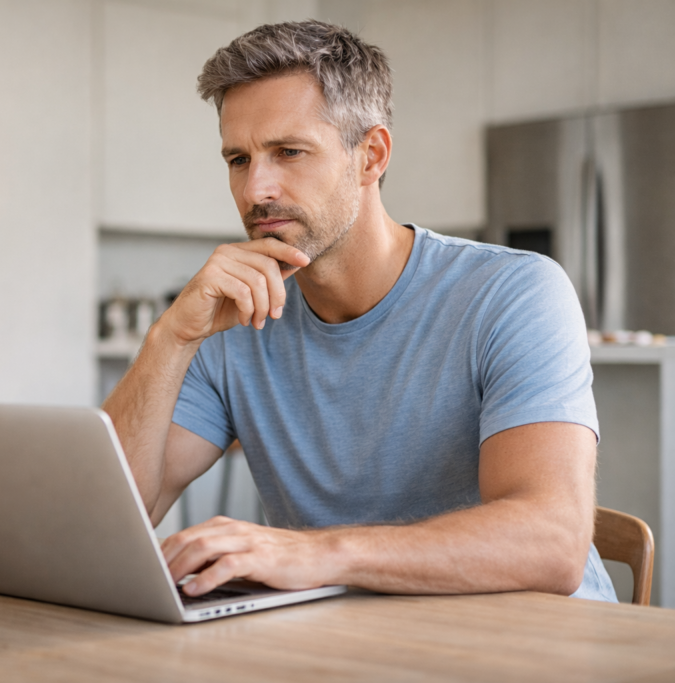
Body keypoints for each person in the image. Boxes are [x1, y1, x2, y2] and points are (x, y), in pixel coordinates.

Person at [102, 20, 616, 602]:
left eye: (288, 152)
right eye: (238, 159)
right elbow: (109, 524)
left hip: (534, 638)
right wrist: (170, 337)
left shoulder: (512, 292)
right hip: (352, 638)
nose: (254, 190)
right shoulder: (234, 317)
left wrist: (318, 553)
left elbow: (551, 541)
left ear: (371, 156)